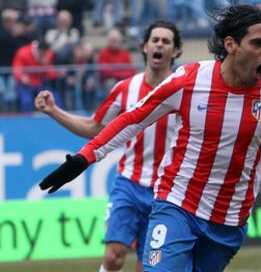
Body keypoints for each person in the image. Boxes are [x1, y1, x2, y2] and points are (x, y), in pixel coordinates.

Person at [38, 4, 261, 272]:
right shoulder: (189, 81)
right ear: (231, 45)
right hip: (177, 205)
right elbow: (132, 120)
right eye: (258, 43)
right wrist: (85, 158)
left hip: (229, 220)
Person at [35, 20, 182, 272]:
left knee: (149, 266)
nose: (159, 44)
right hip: (129, 184)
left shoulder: (182, 90)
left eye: (166, 41)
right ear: (144, 47)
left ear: (176, 51)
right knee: (113, 255)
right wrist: (53, 111)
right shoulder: (125, 89)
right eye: (154, 40)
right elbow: (95, 128)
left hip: (166, 191)